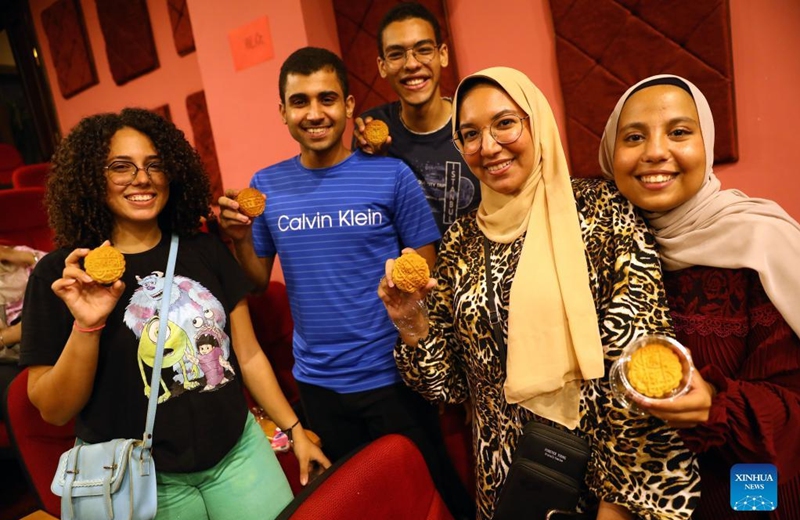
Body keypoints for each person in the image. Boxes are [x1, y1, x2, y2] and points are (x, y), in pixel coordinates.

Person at [378, 67, 701, 520]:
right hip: (509, 484)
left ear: (537, 123)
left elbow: (643, 374)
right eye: (469, 134)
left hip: (604, 481)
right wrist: (412, 322)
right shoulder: (460, 241)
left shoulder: (603, 213)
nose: (488, 146)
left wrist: (615, 507)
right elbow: (447, 387)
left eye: (505, 123)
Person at [20, 108, 330, 520]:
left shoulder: (205, 249)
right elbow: (53, 410)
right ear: (92, 177)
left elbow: (249, 355)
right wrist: (88, 325)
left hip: (237, 455)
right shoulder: (64, 273)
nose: (142, 178)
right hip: (142, 479)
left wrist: (294, 430)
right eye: (120, 167)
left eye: (155, 165)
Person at [218, 47, 474, 519]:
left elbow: (424, 277)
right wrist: (238, 241)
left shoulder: (392, 175)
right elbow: (255, 282)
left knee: (430, 497)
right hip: (318, 386)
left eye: (327, 99)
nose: (314, 113)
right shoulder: (266, 185)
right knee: (354, 507)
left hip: (394, 380)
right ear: (282, 112)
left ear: (350, 105)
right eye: (300, 102)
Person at [599, 74, 800, 520]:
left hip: (746, 489)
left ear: (706, 144)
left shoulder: (761, 244)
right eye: (634, 136)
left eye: (679, 132)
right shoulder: (605, 250)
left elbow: (794, 412)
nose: (654, 150)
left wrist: (714, 403)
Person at [352, 2, 480, 234]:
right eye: (396, 54)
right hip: (407, 267)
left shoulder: (474, 124)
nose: (411, 64)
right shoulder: (373, 132)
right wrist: (373, 165)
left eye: (423, 50)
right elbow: (367, 221)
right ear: (382, 66)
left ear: (442, 55)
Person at [0, 243, 44, 389]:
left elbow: (59, 269)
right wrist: (11, 335)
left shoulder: (18, 254)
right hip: (10, 352)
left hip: (43, 317)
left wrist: (22, 257)